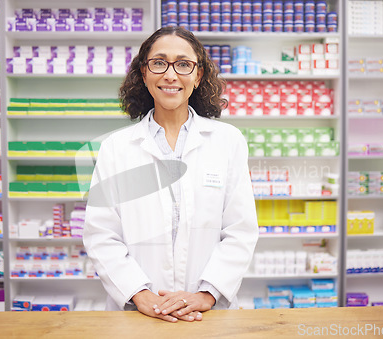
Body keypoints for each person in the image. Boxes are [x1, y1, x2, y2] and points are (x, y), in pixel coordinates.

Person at [83, 26, 258, 323]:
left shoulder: (227, 141)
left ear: (198, 75)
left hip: (208, 314)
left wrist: (206, 295)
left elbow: (240, 231)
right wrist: (141, 294)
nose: (170, 74)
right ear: (144, 72)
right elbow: (102, 234)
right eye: (159, 62)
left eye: (183, 64)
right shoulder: (116, 148)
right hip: (137, 313)